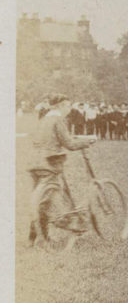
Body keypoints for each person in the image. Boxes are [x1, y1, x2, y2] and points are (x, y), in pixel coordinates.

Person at [28, 94, 97, 244]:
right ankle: (67, 224)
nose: (69, 109)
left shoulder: (44, 118)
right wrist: (87, 142)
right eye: (67, 105)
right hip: (49, 164)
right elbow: (70, 144)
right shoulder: (58, 119)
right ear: (60, 106)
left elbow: (48, 138)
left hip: (34, 163)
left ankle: (36, 238)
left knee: (40, 201)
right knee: (50, 200)